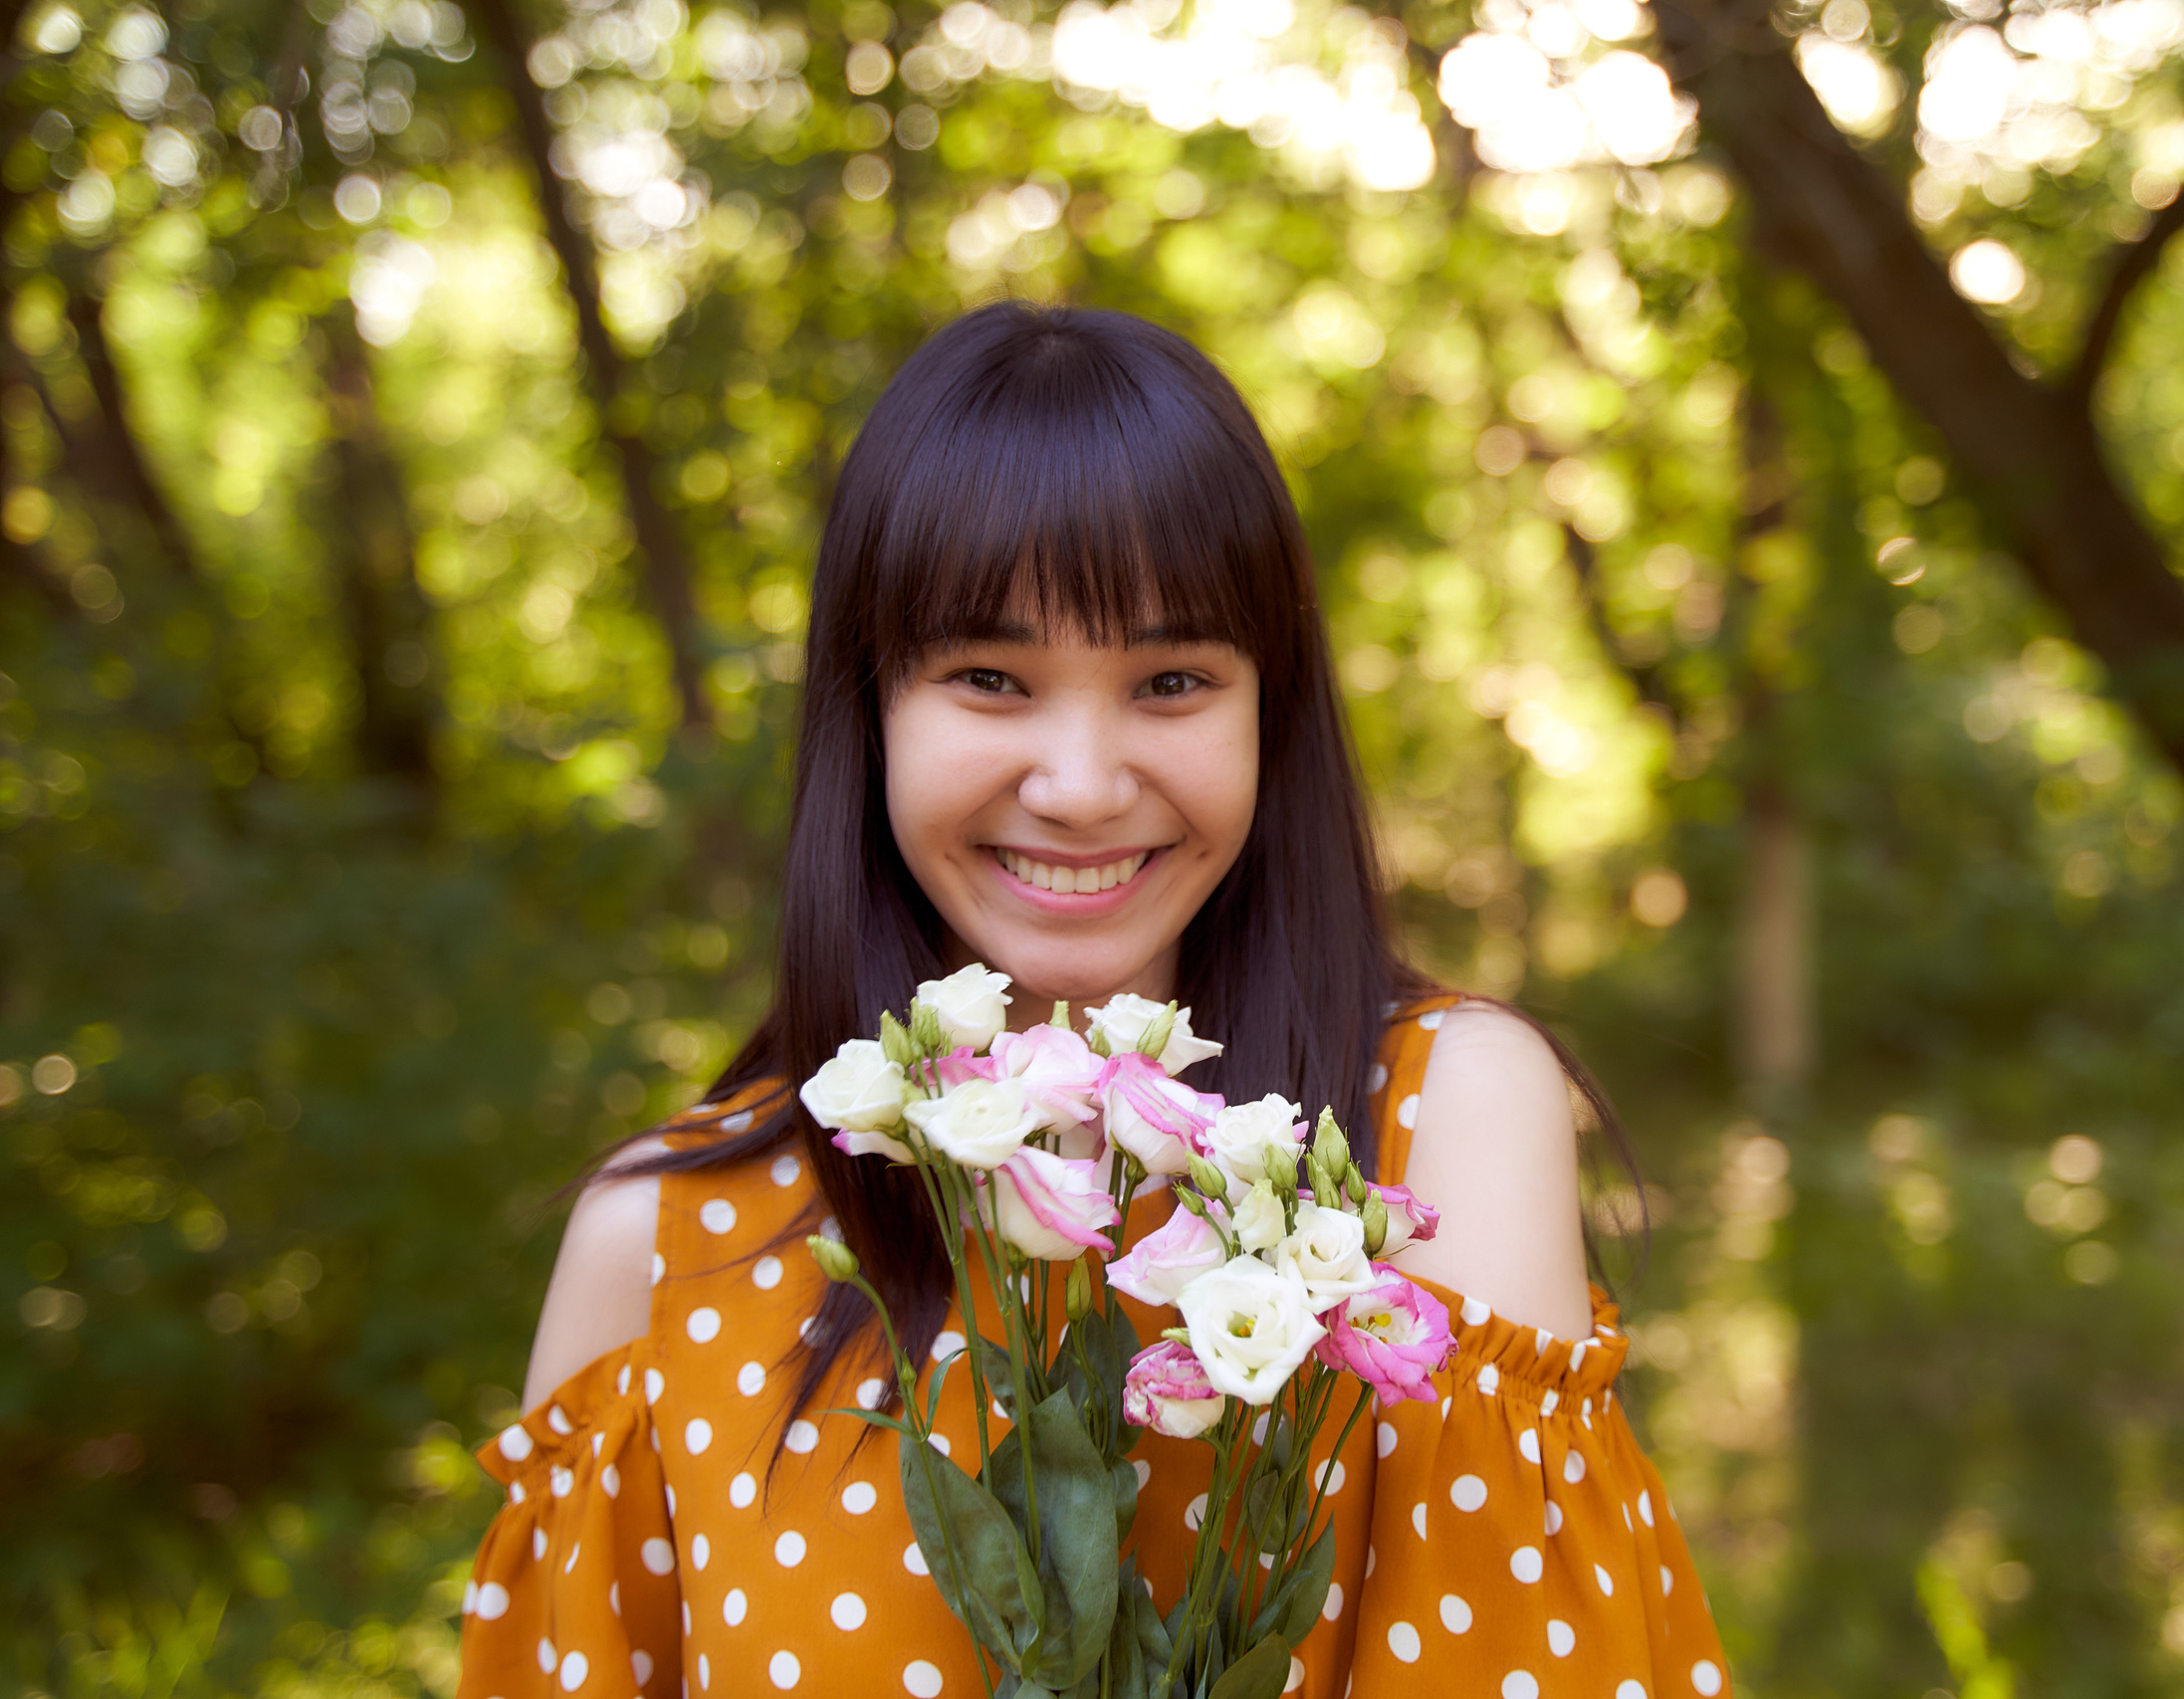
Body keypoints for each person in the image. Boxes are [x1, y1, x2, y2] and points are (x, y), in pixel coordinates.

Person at [456, 304, 1729, 1699]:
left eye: (1171, 681)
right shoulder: (660, 1246)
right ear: (869, 708)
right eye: (990, 679)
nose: (1080, 782)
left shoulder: (1442, 1125)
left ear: (1270, 714)